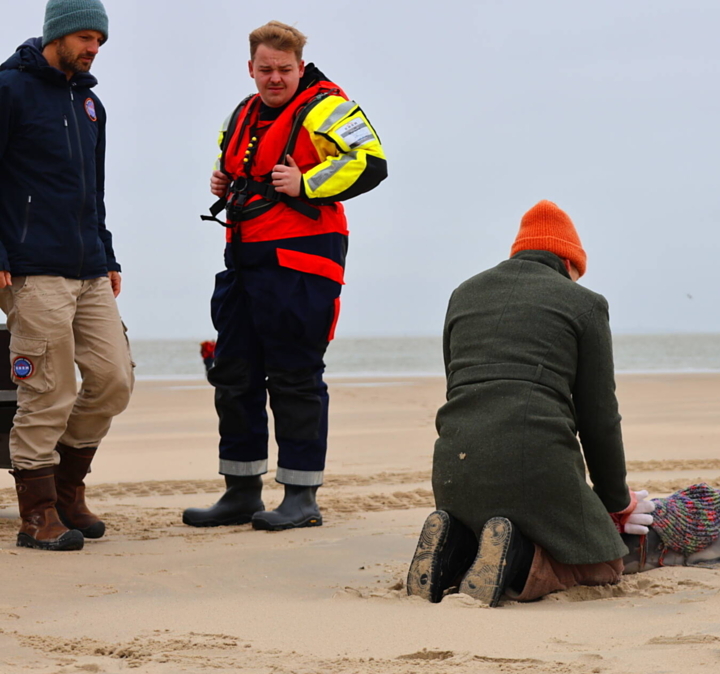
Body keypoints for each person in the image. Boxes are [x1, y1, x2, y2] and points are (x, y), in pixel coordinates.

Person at [183, 21, 387, 532]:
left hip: (302, 262)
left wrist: (306, 181)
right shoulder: (242, 112)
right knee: (234, 375)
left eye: (284, 69)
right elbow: (236, 156)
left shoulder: (330, 107)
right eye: (265, 69)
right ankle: (241, 492)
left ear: (300, 66)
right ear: (250, 68)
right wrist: (221, 177)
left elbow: (372, 162)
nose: (275, 78)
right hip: (244, 260)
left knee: (295, 378)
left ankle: (300, 498)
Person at [406, 200, 653, 607]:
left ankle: (453, 550)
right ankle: (517, 560)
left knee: (486, 530)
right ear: (570, 264)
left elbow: (459, 388)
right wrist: (616, 503)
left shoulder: (463, 294)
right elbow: (599, 418)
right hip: (534, 463)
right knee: (605, 566)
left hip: (453, 468)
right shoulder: (586, 304)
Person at [0, 0, 134, 551]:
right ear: (56, 34)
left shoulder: (91, 104)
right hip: (31, 269)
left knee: (113, 380)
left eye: (99, 40)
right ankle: (37, 514)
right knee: (47, 391)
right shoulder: (9, 90)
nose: (93, 48)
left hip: (88, 267)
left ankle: (66, 486)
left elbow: (92, 194)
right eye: (84, 37)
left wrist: (108, 255)